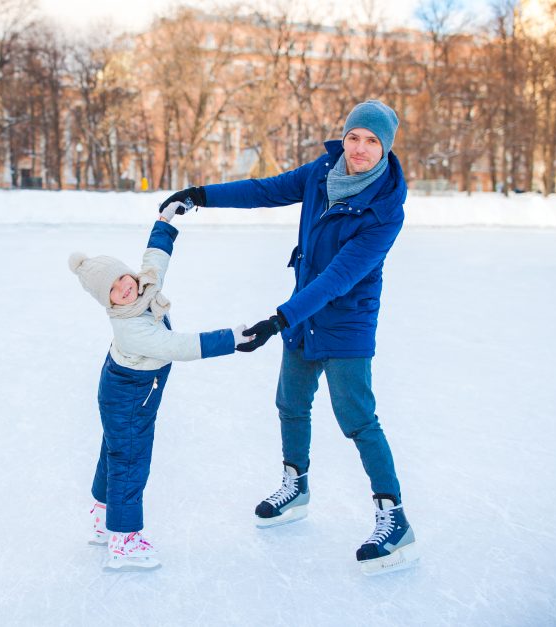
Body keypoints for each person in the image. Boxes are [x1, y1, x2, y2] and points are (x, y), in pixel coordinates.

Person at [159, 100, 417, 575]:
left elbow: (339, 277)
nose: (359, 149)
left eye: (372, 142)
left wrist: (279, 318)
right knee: (290, 403)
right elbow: (264, 189)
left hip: (345, 324)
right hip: (302, 315)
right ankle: (295, 486)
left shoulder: (386, 210)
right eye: (355, 137)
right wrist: (200, 195)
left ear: (385, 149)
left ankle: (394, 518)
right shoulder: (323, 171)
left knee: (358, 419)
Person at [68, 201, 249, 572]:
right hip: (129, 396)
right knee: (130, 460)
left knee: (115, 452)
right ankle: (124, 539)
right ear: (107, 301)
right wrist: (231, 339)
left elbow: (156, 258)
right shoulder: (132, 329)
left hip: (126, 389)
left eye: (124, 278)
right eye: (116, 291)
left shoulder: (143, 286)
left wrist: (165, 220)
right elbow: (176, 346)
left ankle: (104, 517)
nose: (125, 287)